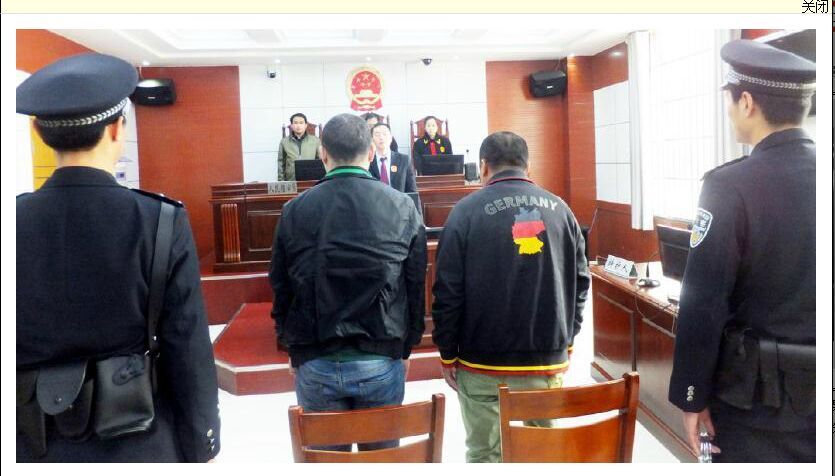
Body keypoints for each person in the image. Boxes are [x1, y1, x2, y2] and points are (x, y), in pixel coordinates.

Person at [16, 53, 220, 462]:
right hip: (140, 439)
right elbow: (187, 346)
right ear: (116, 128)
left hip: (31, 441)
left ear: (37, 131)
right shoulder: (160, 220)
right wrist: (203, 442)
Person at [668, 39, 817, 463]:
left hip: (756, 399)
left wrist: (692, 395)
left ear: (747, 102)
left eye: (730, 102)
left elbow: (704, 299)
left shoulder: (729, 186)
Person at [269, 114, 427, 451]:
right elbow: (415, 285)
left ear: (322, 154)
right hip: (381, 355)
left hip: (316, 356)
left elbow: (281, 287)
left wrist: (290, 345)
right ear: (370, 153)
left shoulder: (294, 210)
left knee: (327, 463)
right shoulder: (402, 206)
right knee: (382, 463)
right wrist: (407, 346)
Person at [431, 131, 590, 462]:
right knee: (544, 453)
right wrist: (567, 338)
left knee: (485, 454)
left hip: (481, 362)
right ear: (528, 166)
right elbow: (581, 282)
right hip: (545, 361)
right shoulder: (562, 211)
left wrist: (447, 353)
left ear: (483, 166)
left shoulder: (464, 212)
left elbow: (447, 291)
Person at [369, 123, 417, 193]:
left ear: (391, 138)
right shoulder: (368, 161)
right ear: (372, 139)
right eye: (377, 134)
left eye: (384, 134)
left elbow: (412, 190)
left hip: (399, 199)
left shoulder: (404, 160)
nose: (381, 137)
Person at [277, 112, 321, 180]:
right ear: (291, 125)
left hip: (311, 180)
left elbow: (320, 161)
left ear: (306, 125)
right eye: (295, 123)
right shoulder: (284, 142)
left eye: (301, 123)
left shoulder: (315, 141)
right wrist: (281, 181)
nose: (298, 126)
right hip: (291, 181)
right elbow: (281, 163)